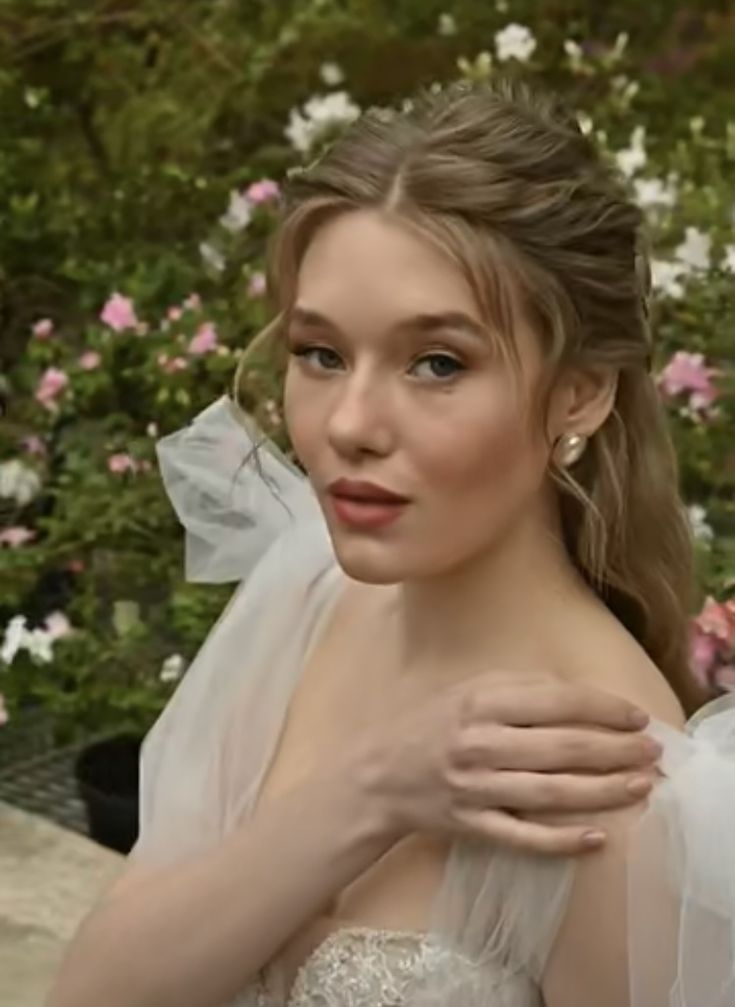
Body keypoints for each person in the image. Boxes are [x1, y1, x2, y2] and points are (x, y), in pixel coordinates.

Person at [49, 78, 734, 1007]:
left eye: (437, 363)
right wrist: (373, 791)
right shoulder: (310, 591)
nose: (350, 425)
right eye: (320, 354)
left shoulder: (601, 782)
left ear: (580, 392)